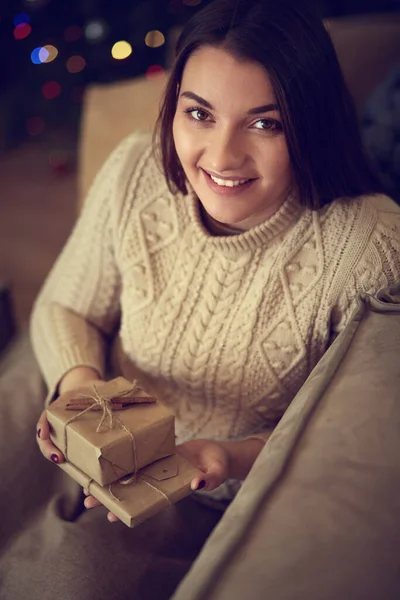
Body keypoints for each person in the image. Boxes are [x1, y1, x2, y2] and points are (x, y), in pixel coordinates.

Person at [3, 0, 399, 598]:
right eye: (200, 113)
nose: (220, 157)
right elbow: (65, 304)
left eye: (265, 123)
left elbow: (346, 449)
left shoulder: (371, 248)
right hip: (87, 431)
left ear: (310, 122)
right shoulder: (137, 167)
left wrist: (228, 457)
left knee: (56, 582)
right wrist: (82, 389)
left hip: (210, 499)